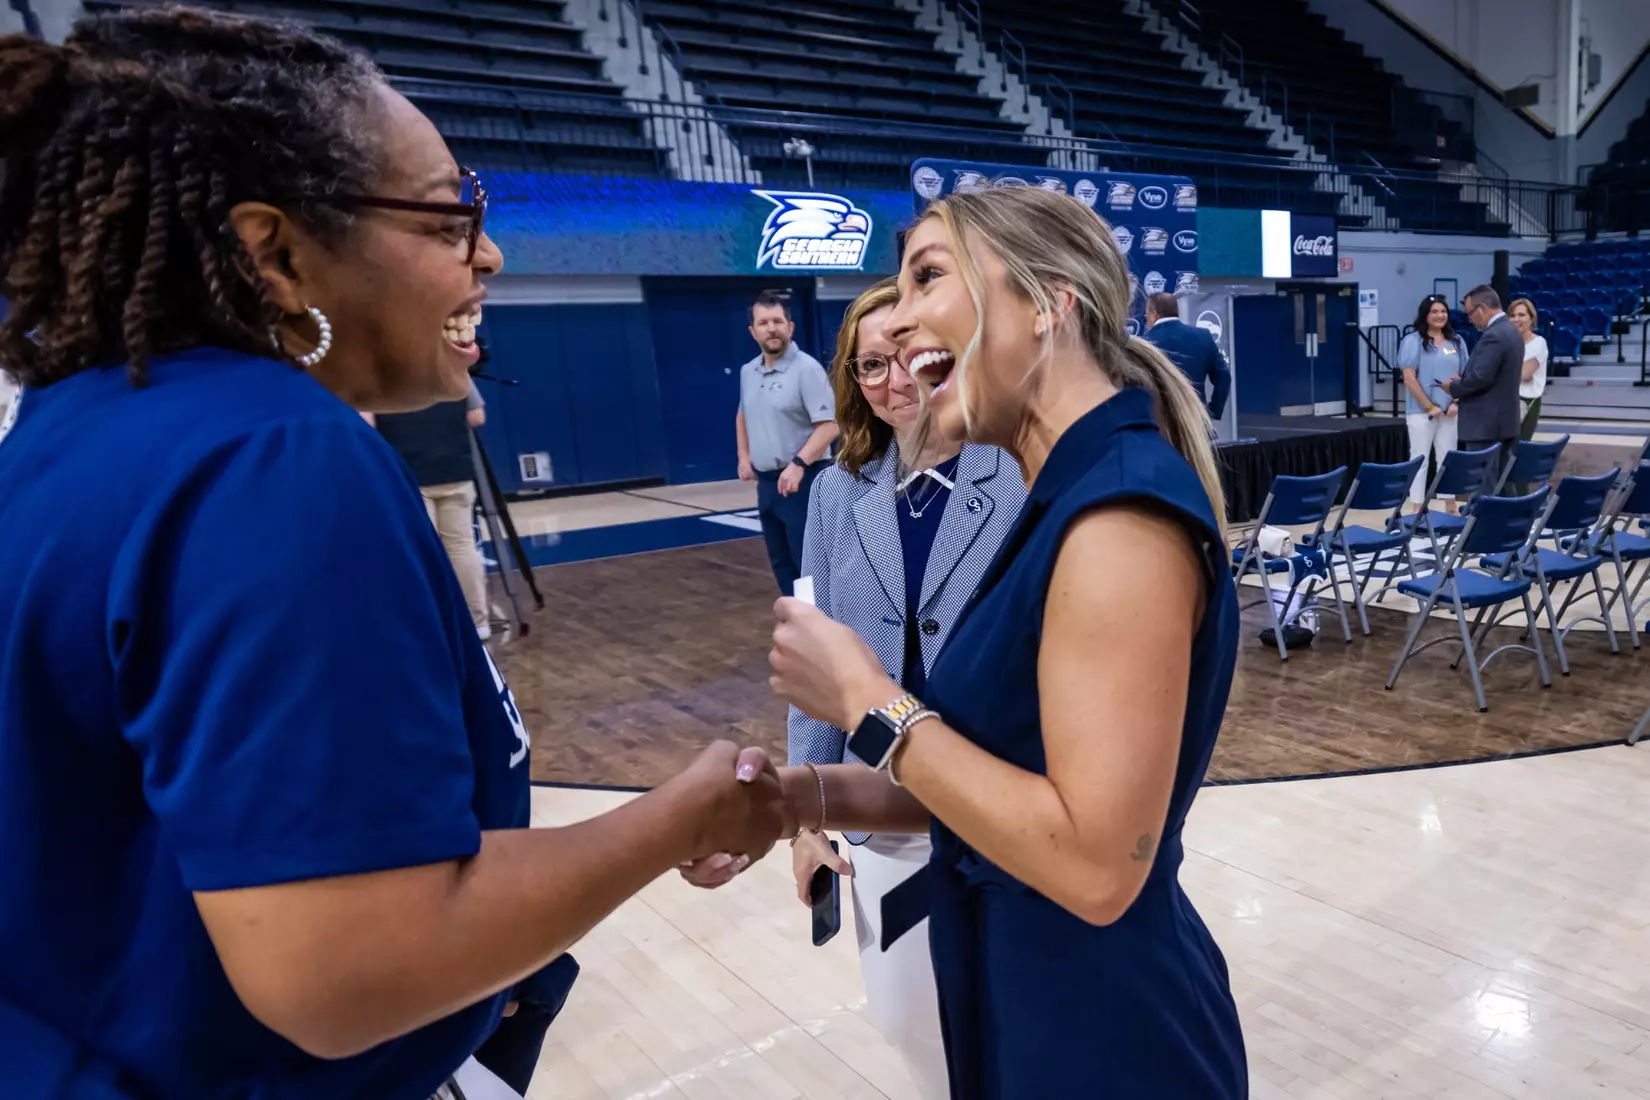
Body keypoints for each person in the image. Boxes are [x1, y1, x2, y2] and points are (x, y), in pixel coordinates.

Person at [0, 11, 786, 1099]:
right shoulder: (273, 455)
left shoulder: (79, 423)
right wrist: (676, 817)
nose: (490, 251)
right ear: (275, 253)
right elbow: (347, 964)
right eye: (451, 215)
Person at [688, 186, 1247, 1096]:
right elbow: (986, 795)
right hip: (1019, 990)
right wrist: (792, 800)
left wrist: (871, 702)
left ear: (1046, 302)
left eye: (927, 278)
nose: (899, 325)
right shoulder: (1065, 498)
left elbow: (1096, 867)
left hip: (1106, 1028)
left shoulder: (1116, 518)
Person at [691, 278, 1026, 1098]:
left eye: (914, 357)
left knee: (1010, 1019)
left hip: (999, 800)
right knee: (908, 1019)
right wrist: (809, 814)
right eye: (872, 364)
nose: (894, 381)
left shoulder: (1015, 473)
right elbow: (817, 663)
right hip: (877, 804)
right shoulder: (839, 491)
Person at [736, 289, 839, 594]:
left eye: (778, 321)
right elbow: (742, 415)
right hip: (767, 485)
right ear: (753, 331)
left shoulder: (806, 369)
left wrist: (797, 464)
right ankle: (798, 622)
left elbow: (830, 425)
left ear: (790, 327)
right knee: (781, 562)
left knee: (809, 565)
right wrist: (744, 456)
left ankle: (822, 628)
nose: (772, 328)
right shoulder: (748, 371)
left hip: (803, 482)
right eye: (764, 322)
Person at [376, 379, 493, 639]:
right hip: (455, 468)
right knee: (462, 547)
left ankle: (431, 625)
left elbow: (366, 425)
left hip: (410, 473)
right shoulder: (454, 368)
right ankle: (477, 622)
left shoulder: (380, 373)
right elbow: (476, 416)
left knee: (421, 551)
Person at [1396, 295, 1467, 511]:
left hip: (1450, 411)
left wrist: (1455, 402)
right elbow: (1409, 378)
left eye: (1443, 311)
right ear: (1425, 315)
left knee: (1448, 457)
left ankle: (1450, 504)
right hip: (1421, 412)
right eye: (1434, 311)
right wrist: (1429, 406)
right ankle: (1417, 507)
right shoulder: (1412, 341)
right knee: (1420, 458)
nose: (1440, 315)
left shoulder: (1457, 341)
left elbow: (1464, 375)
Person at [1447, 284, 1524, 477]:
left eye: (1471, 313)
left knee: (1484, 488)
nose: (1469, 319)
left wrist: (1453, 387)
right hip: (1505, 423)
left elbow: (1480, 378)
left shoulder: (1494, 335)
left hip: (1485, 427)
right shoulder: (1512, 331)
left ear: (1483, 308)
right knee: (1502, 487)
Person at [1143, 291, 1231, 421]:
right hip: (1196, 422)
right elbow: (1224, 378)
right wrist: (1213, 412)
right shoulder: (1204, 337)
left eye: (1147, 314)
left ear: (1154, 314)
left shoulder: (1144, 344)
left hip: (1159, 425)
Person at [1509, 297, 1549, 443]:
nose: (1516, 319)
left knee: (1517, 450)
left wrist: (1505, 369)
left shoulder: (1539, 343)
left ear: (1531, 319)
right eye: (1512, 315)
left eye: (1521, 315)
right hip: (1506, 400)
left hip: (1527, 401)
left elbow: (1525, 374)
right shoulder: (1508, 343)